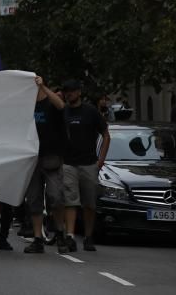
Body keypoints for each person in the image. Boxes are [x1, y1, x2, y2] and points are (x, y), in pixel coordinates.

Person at [60, 79, 110, 252]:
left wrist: (100, 160)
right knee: (70, 201)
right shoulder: (63, 111)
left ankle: (88, 236)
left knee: (89, 204)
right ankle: (70, 236)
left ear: (79, 92)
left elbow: (105, 134)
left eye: (72, 91)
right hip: (68, 163)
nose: (69, 94)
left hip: (89, 163)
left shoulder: (90, 111)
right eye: (66, 91)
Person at [24, 76, 66, 254]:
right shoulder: (25, 107)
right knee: (34, 199)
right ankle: (37, 238)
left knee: (55, 197)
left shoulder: (50, 104)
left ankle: (60, 233)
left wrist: (44, 87)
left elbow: (61, 106)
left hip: (50, 158)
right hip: (32, 159)